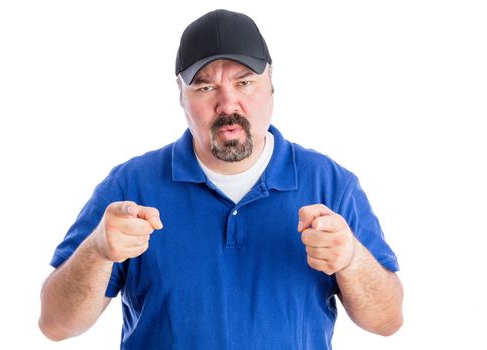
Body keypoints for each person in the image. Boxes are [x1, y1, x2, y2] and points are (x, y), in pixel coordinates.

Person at [39, 9, 403, 350]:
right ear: (181, 96)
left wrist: (352, 258)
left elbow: (387, 321)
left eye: (244, 83)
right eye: (205, 87)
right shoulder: (129, 188)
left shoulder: (331, 184)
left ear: (271, 86)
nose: (228, 104)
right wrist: (98, 250)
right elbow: (55, 325)